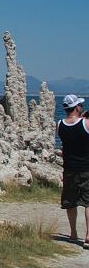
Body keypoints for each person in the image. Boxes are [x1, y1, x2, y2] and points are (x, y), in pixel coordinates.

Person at [58, 94, 89, 247]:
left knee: (70, 203)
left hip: (69, 169)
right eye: (80, 106)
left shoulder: (59, 125)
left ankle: (73, 233)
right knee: (88, 203)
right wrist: (83, 119)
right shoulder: (86, 124)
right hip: (86, 169)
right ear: (77, 107)